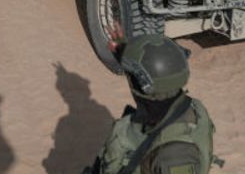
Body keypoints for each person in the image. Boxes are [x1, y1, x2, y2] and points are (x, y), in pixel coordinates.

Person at [84, 34, 218, 174]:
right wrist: (125, 51)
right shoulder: (179, 103)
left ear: (144, 86)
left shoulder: (175, 155)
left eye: (132, 78)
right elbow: (159, 68)